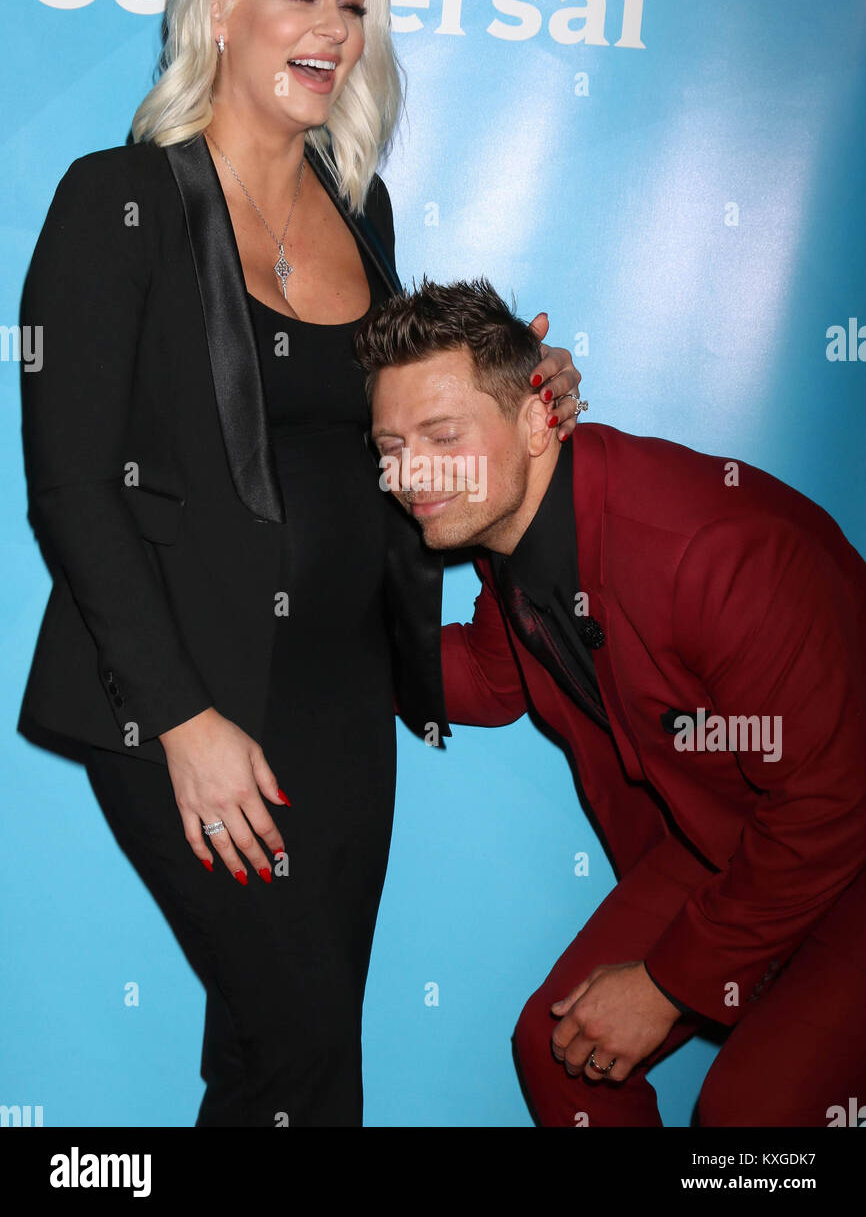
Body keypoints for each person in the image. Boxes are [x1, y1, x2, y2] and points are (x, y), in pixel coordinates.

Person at [17, 0, 585, 1128]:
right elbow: (69, 488)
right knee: (302, 1037)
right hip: (178, 694)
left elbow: (408, 416)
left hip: (341, 697)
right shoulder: (116, 200)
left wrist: (523, 389)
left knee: (287, 1056)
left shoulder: (357, 203)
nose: (334, 26)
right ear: (220, 9)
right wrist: (182, 720)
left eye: (353, 4)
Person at [356, 275, 866, 1127]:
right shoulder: (515, 531)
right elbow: (490, 677)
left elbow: (831, 802)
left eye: (441, 434)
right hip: (736, 838)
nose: (412, 473)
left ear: (533, 416)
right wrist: (311, 650)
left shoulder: (709, 553)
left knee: (750, 1118)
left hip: (838, 838)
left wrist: (669, 986)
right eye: (391, 446)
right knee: (558, 1052)